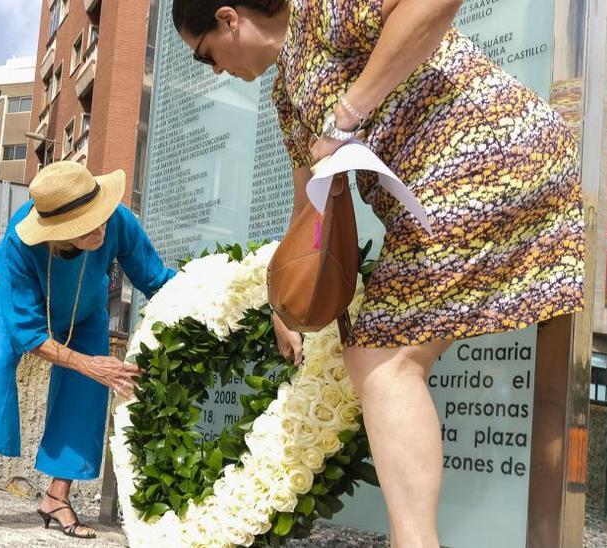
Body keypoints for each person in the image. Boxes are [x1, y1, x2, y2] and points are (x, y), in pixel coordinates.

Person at [171, 1, 585, 546]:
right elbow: (308, 204)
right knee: (382, 354)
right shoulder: (286, 92)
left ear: (229, 18)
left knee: (381, 358)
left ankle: (414, 543)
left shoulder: (320, 9)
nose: (217, 71)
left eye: (206, 56)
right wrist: (283, 300)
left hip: (482, 155)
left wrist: (348, 113)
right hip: (462, 179)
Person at [0, 161, 176, 538]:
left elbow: (157, 279)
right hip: (6, 295)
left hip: (83, 303)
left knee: (88, 388)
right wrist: (89, 364)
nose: (101, 228)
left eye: (100, 216)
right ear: (59, 231)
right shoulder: (19, 245)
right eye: (87, 226)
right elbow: (29, 334)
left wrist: (217, 285)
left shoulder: (117, 220)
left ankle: (57, 498)